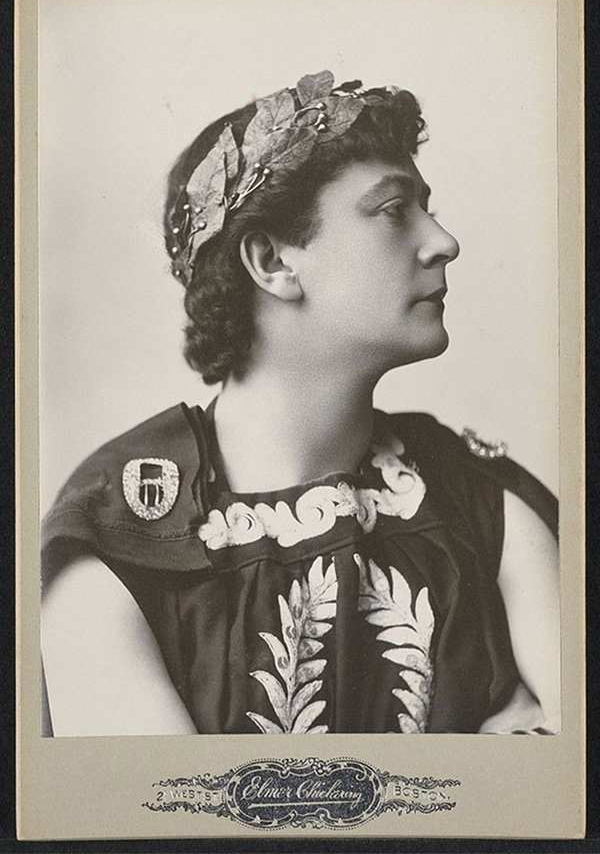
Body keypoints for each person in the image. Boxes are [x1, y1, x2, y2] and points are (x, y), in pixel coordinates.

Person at [41, 71, 559, 737]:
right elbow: (169, 808)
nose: (443, 241)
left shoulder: (480, 500)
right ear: (273, 261)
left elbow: (574, 778)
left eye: (427, 209)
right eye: (394, 210)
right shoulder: (121, 539)